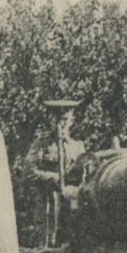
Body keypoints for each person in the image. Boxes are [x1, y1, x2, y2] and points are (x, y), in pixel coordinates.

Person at [20, 98, 88, 245]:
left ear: (72, 120)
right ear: (50, 120)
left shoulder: (77, 146)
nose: (61, 124)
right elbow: (28, 172)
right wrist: (55, 178)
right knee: (46, 247)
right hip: (47, 204)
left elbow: (86, 177)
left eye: (65, 119)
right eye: (56, 119)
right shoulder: (41, 145)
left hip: (71, 205)